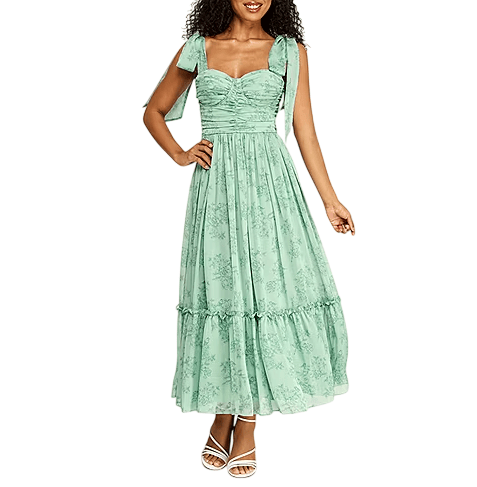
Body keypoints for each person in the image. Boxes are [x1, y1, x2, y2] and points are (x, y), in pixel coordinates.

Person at [142, 0, 355, 478]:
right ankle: (223, 410)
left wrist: (330, 199)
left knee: (265, 294)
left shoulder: (289, 51)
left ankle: (247, 421)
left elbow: (304, 129)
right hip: (215, 187)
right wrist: (179, 153)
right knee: (221, 294)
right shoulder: (198, 47)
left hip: (269, 187)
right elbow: (154, 110)